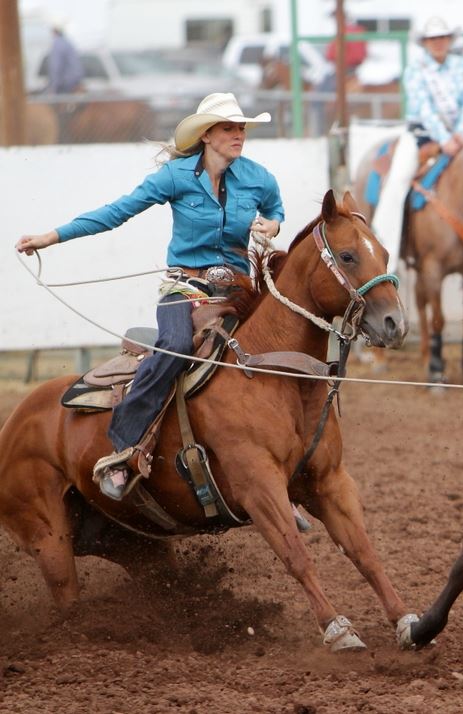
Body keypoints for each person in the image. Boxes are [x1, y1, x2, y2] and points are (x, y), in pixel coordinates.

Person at [15, 93, 283, 500]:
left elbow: (275, 210)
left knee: (277, 347)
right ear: (207, 134)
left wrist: (273, 226)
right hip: (185, 288)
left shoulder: (258, 177)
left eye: (242, 128)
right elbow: (115, 212)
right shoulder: (175, 177)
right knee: (174, 346)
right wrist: (51, 237)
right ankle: (124, 446)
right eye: (229, 128)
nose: (239, 135)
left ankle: (285, 469)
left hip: (237, 291)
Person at [370, 17, 463, 271]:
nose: (438, 43)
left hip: (459, 132)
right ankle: (387, 260)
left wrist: (460, 133)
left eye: (442, 38)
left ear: (450, 40)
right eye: (433, 39)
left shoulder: (461, 66)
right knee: (396, 182)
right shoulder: (415, 70)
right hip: (422, 134)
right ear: (425, 43)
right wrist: (445, 139)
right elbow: (425, 110)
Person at [43, 16, 84, 96]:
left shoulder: (57, 44)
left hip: (65, 83)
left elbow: (56, 67)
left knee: (57, 104)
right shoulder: (68, 42)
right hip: (74, 81)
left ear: (54, 31)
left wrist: (53, 87)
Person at [324, 14, 368, 81]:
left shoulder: (345, 32)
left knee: (325, 87)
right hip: (349, 67)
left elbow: (332, 53)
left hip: (345, 67)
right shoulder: (355, 31)